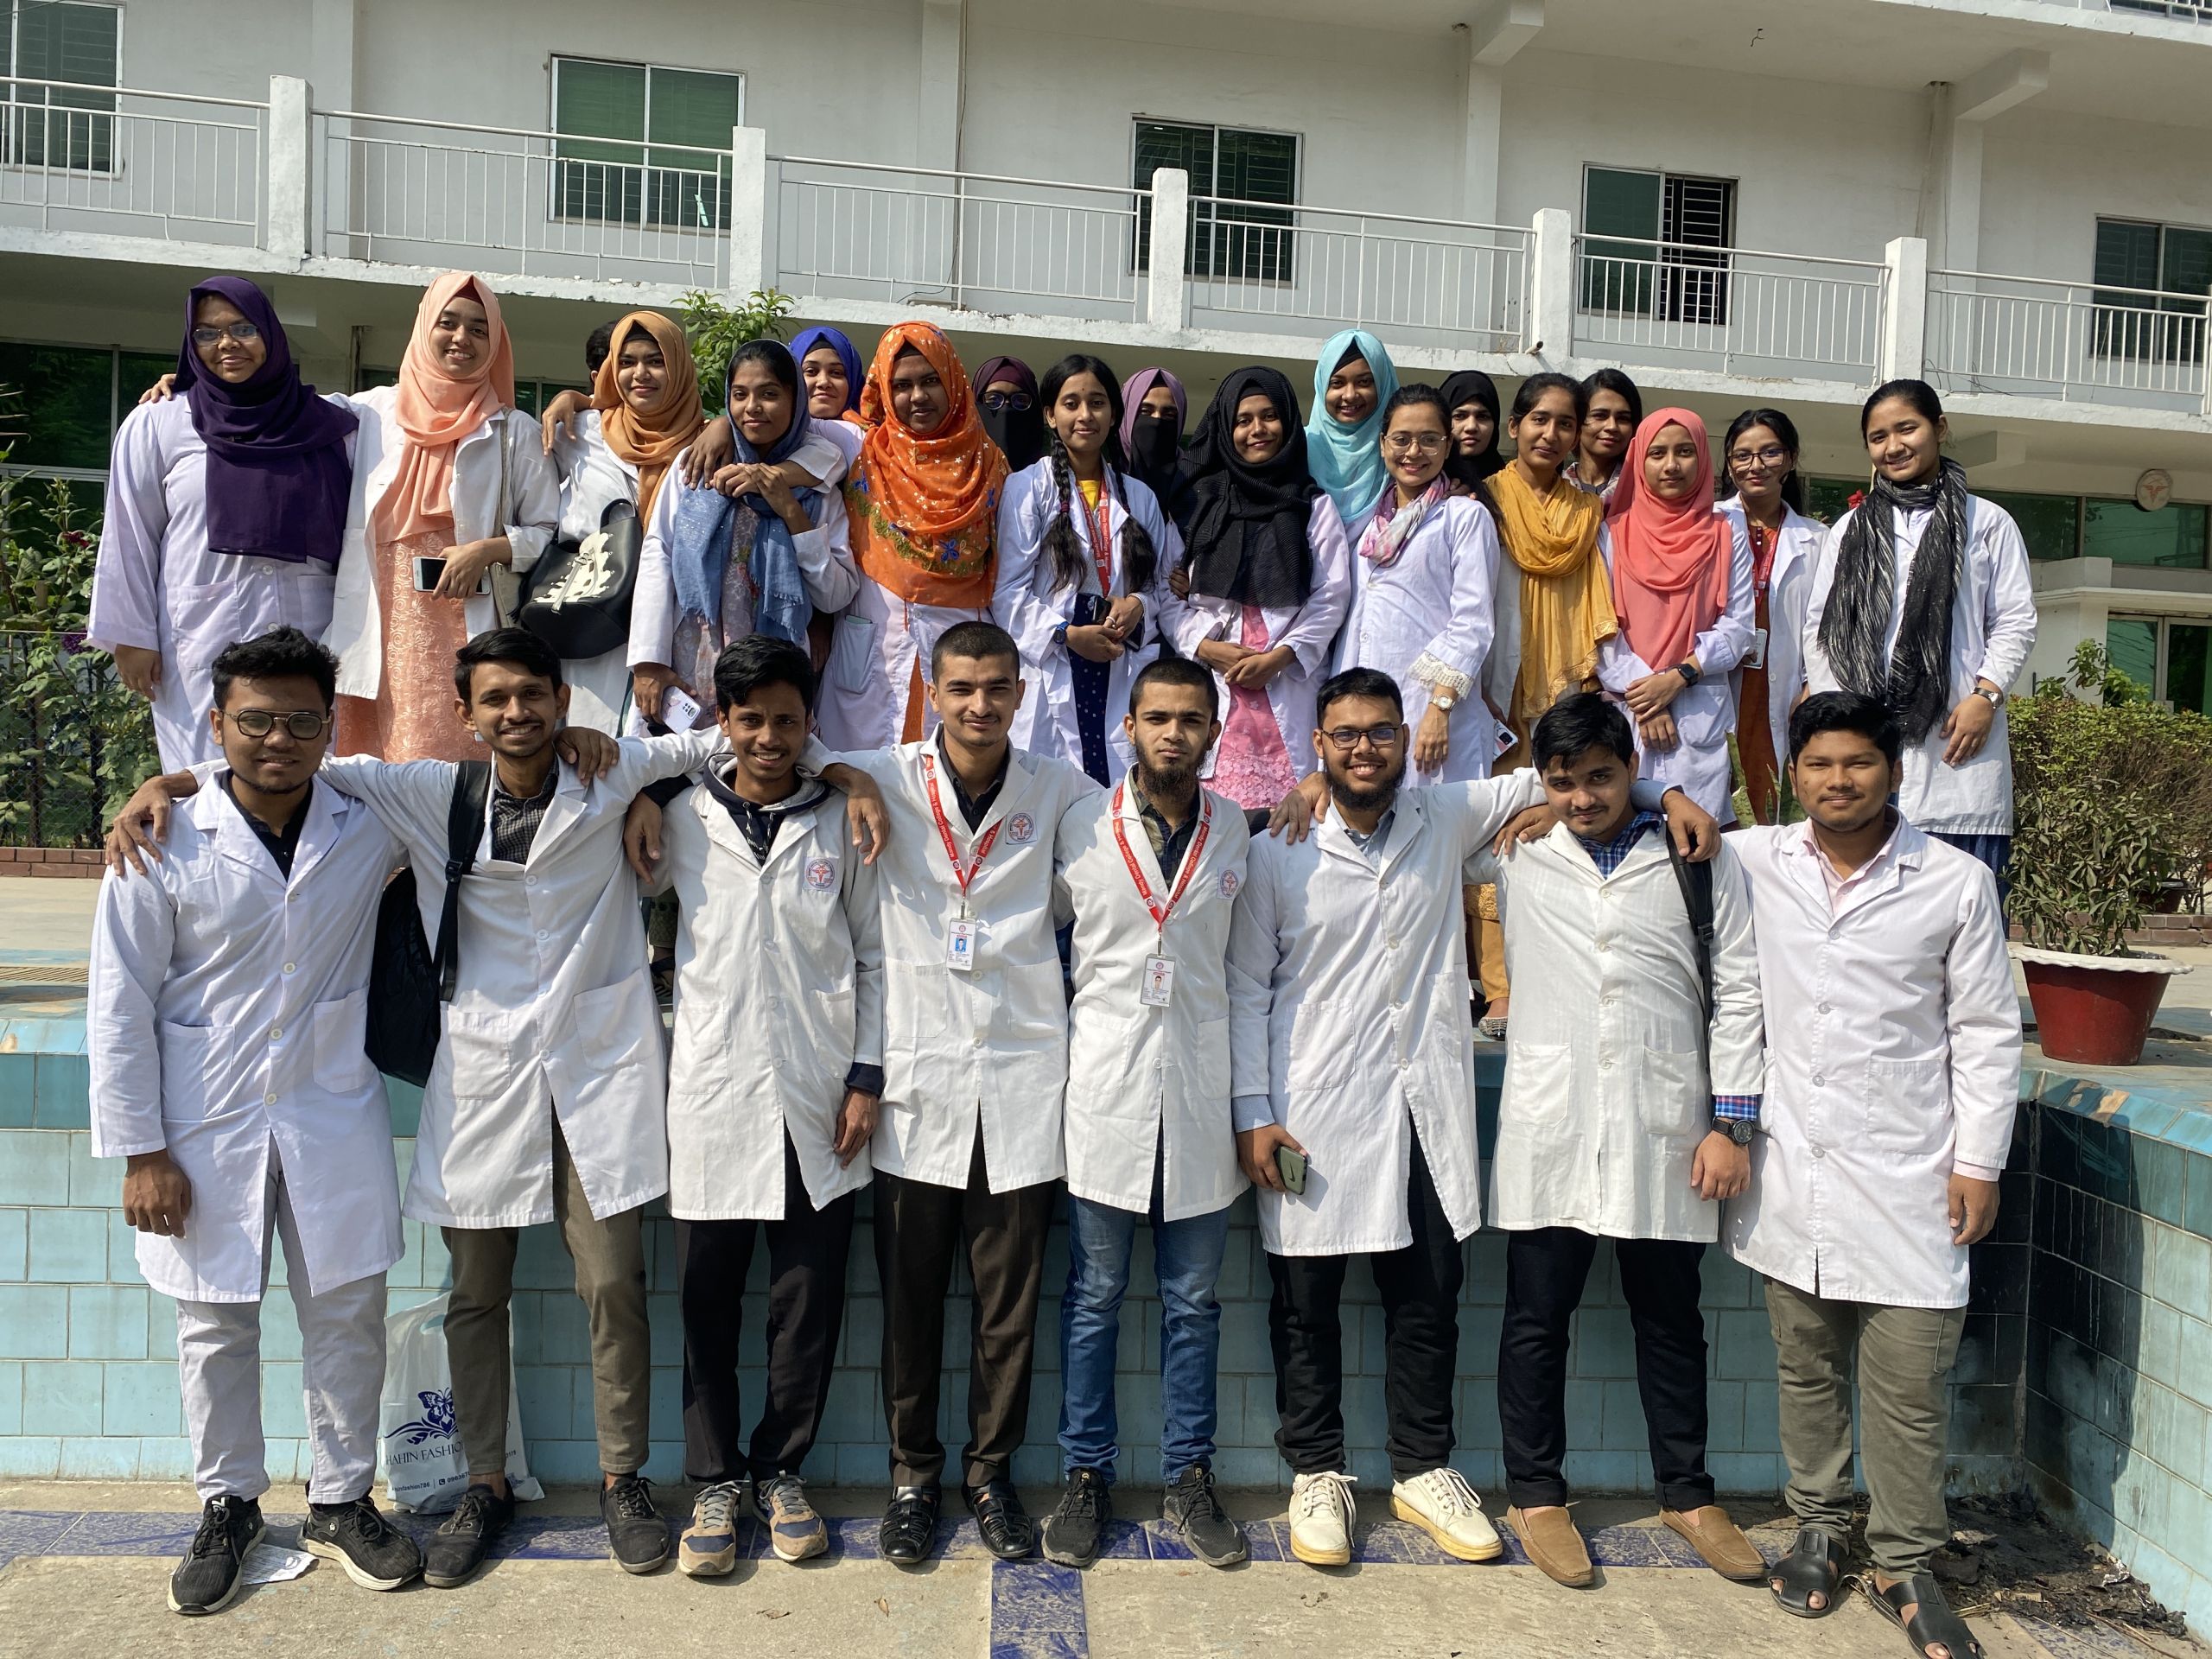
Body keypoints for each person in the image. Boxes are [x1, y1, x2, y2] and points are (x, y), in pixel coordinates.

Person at [105, 630, 744, 1586]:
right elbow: (281, 767)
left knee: (606, 1284)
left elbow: (732, 738)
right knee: (454, 1295)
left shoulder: (597, 774)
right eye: (495, 699)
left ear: (563, 701)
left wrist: (665, 785)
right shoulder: (416, 793)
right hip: (471, 1075)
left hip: (592, 1069)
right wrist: (166, 783)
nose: (516, 713)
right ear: (464, 713)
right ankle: (457, 1485)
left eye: (533, 695)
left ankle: (616, 1482)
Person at [1224, 666, 1716, 1569]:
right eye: (1345, 735)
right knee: (1305, 1303)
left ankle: (1421, 1468)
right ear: (1318, 745)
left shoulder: (1443, 816)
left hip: (1420, 1107)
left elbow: (1568, 778)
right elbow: (1246, 986)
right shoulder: (1277, 849)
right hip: (1308, 1105)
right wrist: (1253, 1111)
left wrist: (1668, 792)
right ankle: (1317, 1471)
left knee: (1428, 1297)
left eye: (1382, 731)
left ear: (1404, 740)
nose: (1365, 749)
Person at [90, 628, 421, 1615]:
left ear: (330, 727)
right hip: (201, 1122)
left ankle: (341, 1499)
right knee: (213, 1321)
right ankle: (229, 1505)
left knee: (348, 1312)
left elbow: (464, 783)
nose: (279, 739)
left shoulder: (367, 821)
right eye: (256, 720)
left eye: (301, 721)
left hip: (331, 1107)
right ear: (217, 723)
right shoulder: (159, 838)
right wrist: (143, 1151)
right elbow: (119, 1002)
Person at [1727, 691, 2019, 1659]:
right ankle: (1817, 1527)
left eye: (1858, 763)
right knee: (1806, 1366)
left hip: (1912, 1170)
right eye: (1818, 764)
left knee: (1908, 1382)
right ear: (1792, 774)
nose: (1837, 781)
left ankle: (1905, 1561)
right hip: (1795, 1164)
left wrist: (1978, 1161)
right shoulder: (1755, 859)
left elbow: (1986, 1030)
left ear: (1894, 771)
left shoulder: (1952, 882)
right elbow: (1647, 806)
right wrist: (1663, 795)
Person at [811, 620, 1098, 1566]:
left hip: (1021, 1081)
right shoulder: (885, 773)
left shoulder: (1059, 788)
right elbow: (773, 747)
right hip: (917, 1083)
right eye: (962, 688)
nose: (980, 705)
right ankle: (911, 1478)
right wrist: (846, 777)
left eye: (997, 688)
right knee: (911, 1300)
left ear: (1020, 693)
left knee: (1006, 1307)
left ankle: (989, 1475)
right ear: (931, 693)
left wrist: (1302, 790)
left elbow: (1154, 810)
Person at [1482, 692, 1766, 1589]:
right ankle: (1536, 1495)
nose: (1582, 799)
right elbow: (1407, 814)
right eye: (1562, 782)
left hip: (1665, 1124)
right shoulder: (1518, 851)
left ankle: (1688, 1494)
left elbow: (1741, 989)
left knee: (1670, 1319)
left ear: (1632, 769)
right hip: (1553, 1123)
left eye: (1603, 779)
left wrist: (1731, 1123)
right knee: (1536, 1320)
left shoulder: (1696, 857)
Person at [633, 636, 884, 1576]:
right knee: (706, 1299)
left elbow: (875, 956)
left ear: (811, 722)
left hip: (821, 1099)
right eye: (750, 720)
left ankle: (781, 1472)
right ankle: (713, 1482)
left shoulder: (842, 820)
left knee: (805, 1302)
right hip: (714, 1092)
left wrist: (866, 1077)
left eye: (786, 720)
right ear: (723, 722)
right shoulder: (680, 817)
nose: (769, 738)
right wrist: (645, 795)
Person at [1040, 655, 1251, 1570]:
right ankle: (1084, 1475)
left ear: (1213, 732)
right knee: (1093, 1299)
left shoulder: (1237, 828)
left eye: (1190, 719)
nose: (1173, 733)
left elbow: (1248, 972)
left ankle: (1188, 1476)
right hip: (1105, 1091)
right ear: (1128, 726)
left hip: (1199, 1096)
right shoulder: (1081, 825)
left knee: (1193, 1303)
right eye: (1157, 718)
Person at [90, 277, 359, 770]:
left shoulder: (333, 423)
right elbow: (129, 533)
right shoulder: (160, 422)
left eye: (244, 328)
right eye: (207, 334)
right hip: (201, 632)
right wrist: (131, 636)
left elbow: (416, 407)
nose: (227, 344)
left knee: (312, 768)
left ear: (272, 335)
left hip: (313, 630)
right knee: (202, 775)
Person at [1803, 379, 2036, 888]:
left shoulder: (1987, 523)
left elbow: (2015, 620)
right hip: (1868, 746)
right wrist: (1842, 721)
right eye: (1878, 437)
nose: (1894, 446)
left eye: (1906, 429)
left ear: (1939, 428)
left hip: (1956, 743)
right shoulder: (1850, 529)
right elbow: (1821, 631)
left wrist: (1986, 696)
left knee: (1963, 906)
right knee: (1869, 908)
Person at [326, 271, 559, 762]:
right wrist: (187, 388)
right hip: (381, 611)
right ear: (424, 326)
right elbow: (280, 408)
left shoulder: (513, 431)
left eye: (479, 329)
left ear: (495, 343)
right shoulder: (370, 413)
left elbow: (550, 532)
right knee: (372, 758)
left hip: (462, 614)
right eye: (448, 323)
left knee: (459, 744)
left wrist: (488, 550)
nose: (461, 338)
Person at [1478, 372, 1618, 1037]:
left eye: (1566, 423)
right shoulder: (1484, 499)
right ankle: (1499, 987)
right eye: (1539, 419)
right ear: (1515, 427)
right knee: (1497, 834)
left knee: (1560, 828)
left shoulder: (1589, 512)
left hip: (1563, 690)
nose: (1551, 433)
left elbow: (1597, 597)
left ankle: (1555, 976)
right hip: (1494, 691)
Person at [627, 340, 858, 728]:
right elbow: (659, 553)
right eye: (739, 395)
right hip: (689, 668)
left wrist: (789, 509)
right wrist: (648, 661)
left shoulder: (817, 491)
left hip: (776, 676)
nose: (752, 407)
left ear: (796, 401)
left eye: (769, 394)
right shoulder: (699, 464)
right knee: (676, 761)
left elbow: (835, 594)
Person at [1158, 367, 1352, 811]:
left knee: (1291, 829)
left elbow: (1332, 595)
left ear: (1289, 422)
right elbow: (1164, 592)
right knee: (1214, 822)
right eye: (1243, 420)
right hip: (1215, 680)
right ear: (1226, 430)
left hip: (1287, 679)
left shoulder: (1312, 506)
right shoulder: (1194, 504)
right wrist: (1205, 647)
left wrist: (1282, 656)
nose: (1257, 430)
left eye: (1269, 416)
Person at [824, 322, 1010, 750]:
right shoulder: (860, 448)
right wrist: (719, 426)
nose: (918, 396)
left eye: (931, 381)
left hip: (962, 648)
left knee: (947, 775)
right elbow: (786, 427)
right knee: (856, 774)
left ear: (953, 382)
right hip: (872, 649)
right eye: (902, 386)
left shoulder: (992, 467)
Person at [994, 353, 1178, 785]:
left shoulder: (1139, 497)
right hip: (1056, 660)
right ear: (1049, 415)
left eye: (1097, 403)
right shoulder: (1027, 488)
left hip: (1118, 660)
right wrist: (1067, 635)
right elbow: (1008, 593)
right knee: (1046, 790)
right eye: (1071, 403)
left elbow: (1158, 587)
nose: (1085, 415)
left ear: (1114, 415)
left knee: (1116, 790)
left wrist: (1137, 604)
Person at [1333, 384, 1503, 785]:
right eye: (1401, 439)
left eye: (1429, 440)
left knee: (1431, 813)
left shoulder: (1464, 517)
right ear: (1382, 445)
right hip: (1363, 711)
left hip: (1430, 710)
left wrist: (1439, 708)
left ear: (1448, 447)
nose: (1413, 452)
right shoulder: (1367, 523)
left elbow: (1473, 622)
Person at [546, 310, 705, 732]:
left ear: (679, 367)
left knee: (661, 753)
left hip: (673, 623)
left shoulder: (705, 443)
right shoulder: (578, 432)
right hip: (591, 620)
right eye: (627, 362)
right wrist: (575, 398)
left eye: (656, 361)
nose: (641, 374)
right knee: (585, 744)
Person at [1598, 409, 1756, 823]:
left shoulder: (1726, 531)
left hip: (1697, 708)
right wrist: (1649, 701)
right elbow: (1601, 630)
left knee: (1697, 839)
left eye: (1685, 452)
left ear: (1702, 458)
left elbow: (1739, 627)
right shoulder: (1610, 533)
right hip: (1631, 711)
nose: (1671, 465)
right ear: (1639, 461)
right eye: (1657, 454)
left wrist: (1677, 678)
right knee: (1626, 834)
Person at [1718, 409, 1824, 824]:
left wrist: (1813, 685)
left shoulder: (1819, 540)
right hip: (1721, 679)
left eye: (1770, 453)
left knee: (1774, 804)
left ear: (1792, 458)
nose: (1756, 465)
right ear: (1729, 463)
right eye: (1742, 455)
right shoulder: (1708, 525)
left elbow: (1830, 625)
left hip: (1785, 689)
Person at [1305, 327, 1399, 529]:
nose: (1349, 395)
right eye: (1337, 383)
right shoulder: (1296, 449)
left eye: (1364, 382)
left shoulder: (1403, 454)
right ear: (1322, 386)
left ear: (1382, 385)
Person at [1567, 367, 1642, 510]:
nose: (1612, 426)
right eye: (1600, 415)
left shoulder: (1643, 492)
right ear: (1578, 420)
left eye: (1623, 418)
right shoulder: (1551, 489)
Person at [1119, 366, 1187, 504]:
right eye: (1145, 411)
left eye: (1169, 415)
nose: (1157, 420)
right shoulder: (1104, 482)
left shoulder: (1194, 485)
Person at [974, 353, 1048, 474]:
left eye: (1020, 400)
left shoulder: (1050, 477)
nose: (1006, 410)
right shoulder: (958, 472)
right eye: (993, 400)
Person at [1440, 369, 1505, 504]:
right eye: (1460, 416)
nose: (1471, 427)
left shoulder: (1510, 486)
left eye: (1483, 416)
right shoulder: (1419, 479)